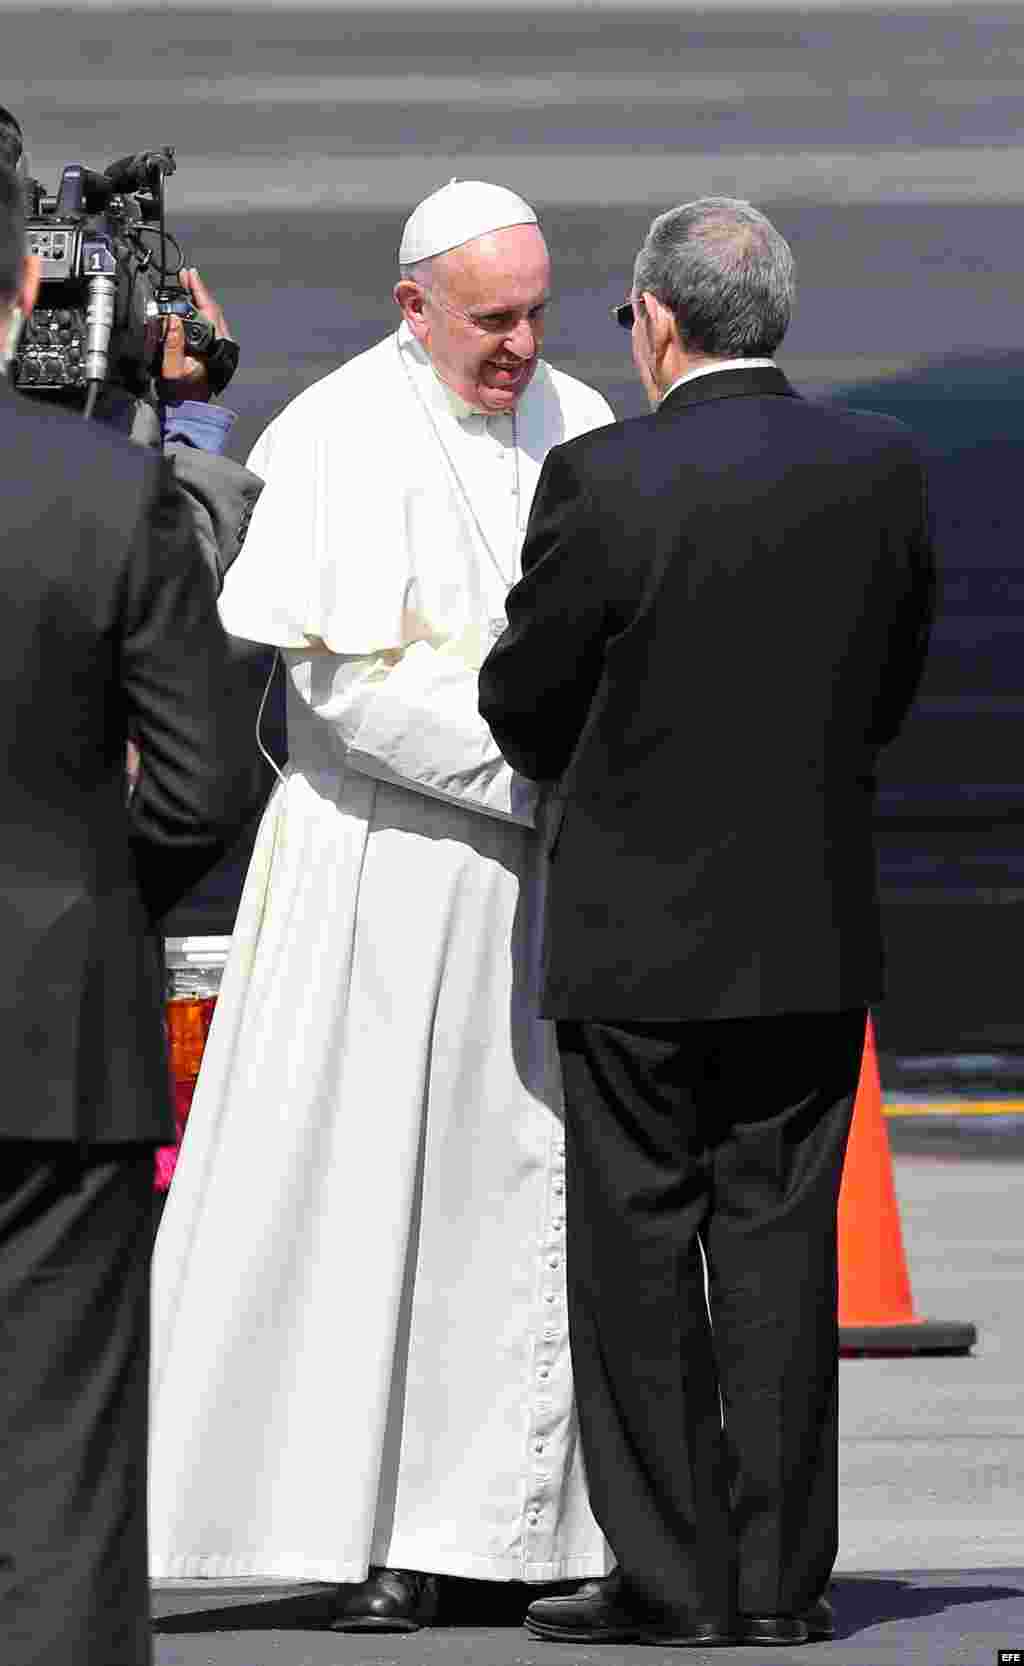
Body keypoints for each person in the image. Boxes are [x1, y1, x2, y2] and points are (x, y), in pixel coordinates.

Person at [147, 179, 615, 1630]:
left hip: (535, 886)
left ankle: (514, 1528)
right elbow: (345, 691)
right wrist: (539, 783)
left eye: (535, 315)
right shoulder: (335, 431)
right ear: (413, 306)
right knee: (371, 1204)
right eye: (490, 320)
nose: (519, 347)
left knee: (516, 1207)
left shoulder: (583, 420)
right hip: (382, 865)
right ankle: (374, 1531)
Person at [479, 197, 936, 1648]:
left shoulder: (601, 477)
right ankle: (784, 1580)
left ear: (658, 323)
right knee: (781, 1254)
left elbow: (522, 699)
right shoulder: (880, 469)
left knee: (637, 1256)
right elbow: (891, 685)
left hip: (633, 934)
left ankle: (674, 1578)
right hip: (805, 924)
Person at [0, 160, 264, 1666]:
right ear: (29, 283)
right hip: (57, 1025)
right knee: (63, 1461)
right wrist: (101, 904)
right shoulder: (108, 490)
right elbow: (201, 784)